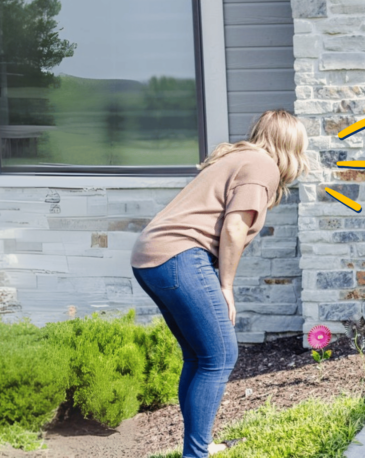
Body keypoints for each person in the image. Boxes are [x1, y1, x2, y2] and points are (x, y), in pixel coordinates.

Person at [130, 109, 308, 457]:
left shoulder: (241, 157)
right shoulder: (262, 166)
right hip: (178, 256)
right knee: (221, 355)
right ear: (291, 145)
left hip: (152, 258)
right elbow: (234, 228)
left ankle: (198, 446)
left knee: (200, 356)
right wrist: (226, 287)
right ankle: (196, 453)